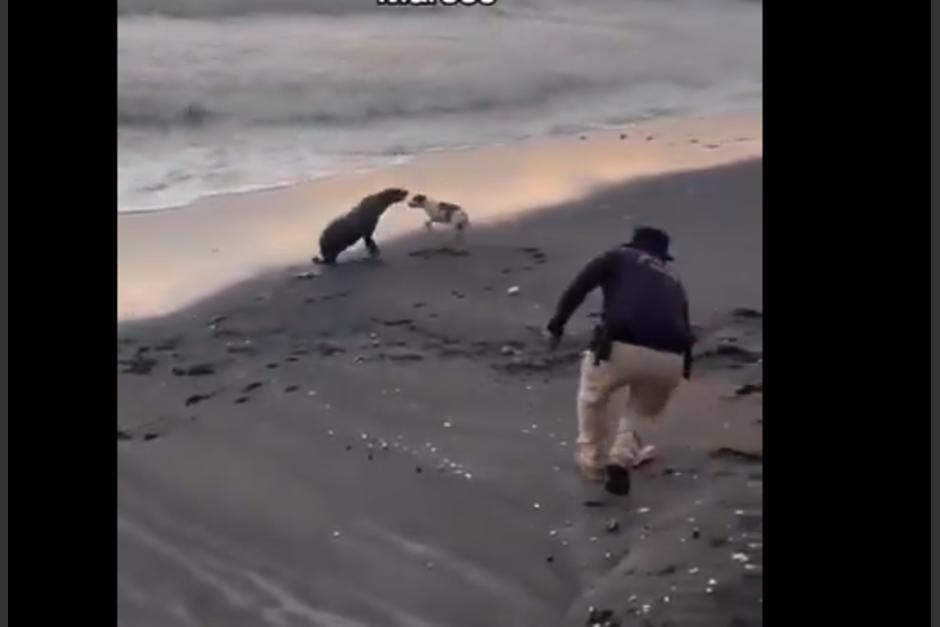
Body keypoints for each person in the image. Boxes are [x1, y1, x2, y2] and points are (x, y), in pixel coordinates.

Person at [544, 227, 693, 495]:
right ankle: (621, 457)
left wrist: (557, 325)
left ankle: (592, 460)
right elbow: (685, 324)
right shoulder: (674, 279)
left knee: (594, 396)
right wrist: (685, 367)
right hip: (671, 360)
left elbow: (579, 287)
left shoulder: (618, 256)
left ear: (634, 244)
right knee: (642, 412)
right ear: (662, 255)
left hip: (620, 347)